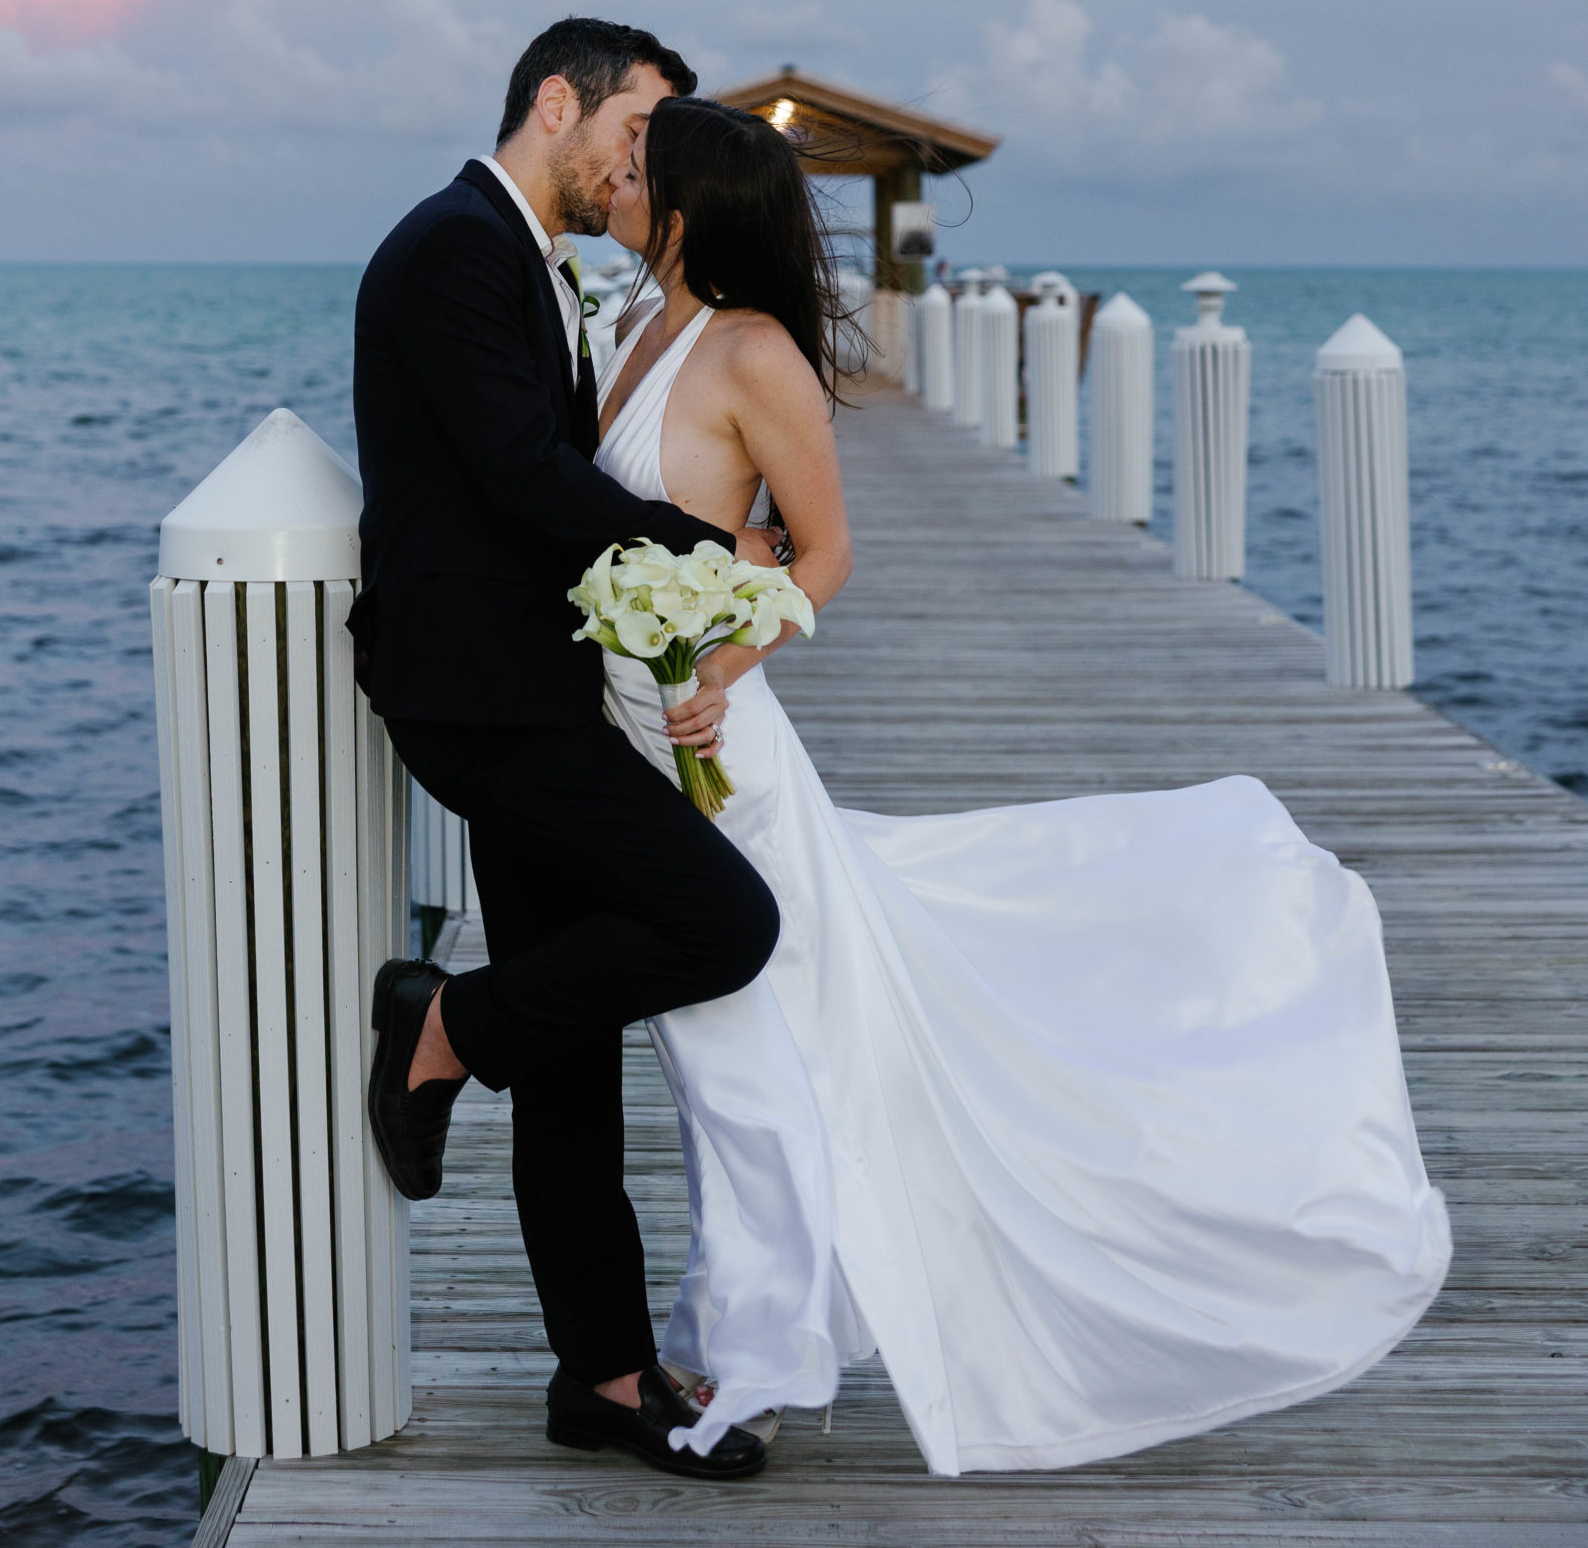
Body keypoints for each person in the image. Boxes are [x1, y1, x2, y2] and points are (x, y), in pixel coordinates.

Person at [590, 95, 1453, 1473]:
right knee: (722, 1062)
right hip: (627, 736)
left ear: (686, 206)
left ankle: (745, 1363)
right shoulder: (634, 329)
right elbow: (664, 526)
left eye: (639, 168)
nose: (617, 180)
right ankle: (732, 1332)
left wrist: (728, 662)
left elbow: (822, 558)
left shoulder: (756, 356)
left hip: (715, 747)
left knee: (743, 1056)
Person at [350, 19, 785, 1483]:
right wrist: (718, 554)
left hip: (535, 684)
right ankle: (443, 1030)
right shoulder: (454, 249)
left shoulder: (529, 258)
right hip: (482, 695)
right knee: (722, 918)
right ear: (559, 101)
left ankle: (600, 1379)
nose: (644, 157)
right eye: (638, 124)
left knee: (577, 1054)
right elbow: (528, 480)